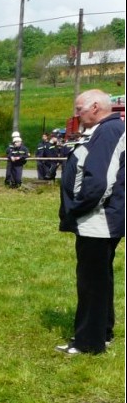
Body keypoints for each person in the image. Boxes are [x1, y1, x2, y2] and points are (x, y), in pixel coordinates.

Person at [56, 89, 125, 355]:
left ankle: (88, 343)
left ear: (95, 107)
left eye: (79, 109)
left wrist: (76, 208)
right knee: (101, 278)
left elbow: (100, 181)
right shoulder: (109, 130)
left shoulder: (107, 132)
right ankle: (102, 332)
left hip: (98, 220)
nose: (76, 115)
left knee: (91, 282)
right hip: (102, 218)